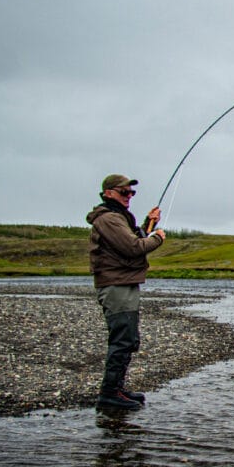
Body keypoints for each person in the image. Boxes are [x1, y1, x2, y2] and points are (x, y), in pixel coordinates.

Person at [87, 174, 166, 411]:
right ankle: (109, 394)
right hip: (117, 285)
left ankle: (116, 390)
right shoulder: (109, 219)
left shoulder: (116, 218)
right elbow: (134, 248)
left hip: (123, 284)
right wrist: (158, 238)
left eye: (131, 193)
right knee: (122, 340)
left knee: (128, 339)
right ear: (109, 193)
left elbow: (132, 238)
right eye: (124, 192)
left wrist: (147, 224)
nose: (129, 196)